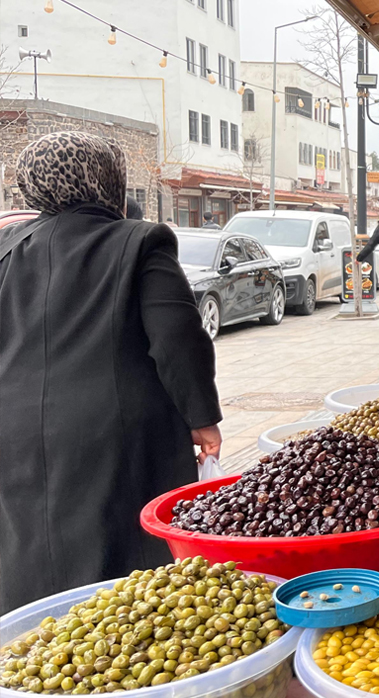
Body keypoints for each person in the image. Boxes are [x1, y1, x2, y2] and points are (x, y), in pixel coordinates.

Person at [0, 131, 223, 613]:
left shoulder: (7, 248)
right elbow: (178, 338)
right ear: (107, 180)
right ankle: (122, 662)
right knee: (125, 557)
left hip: (14, 430)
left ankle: (35, 655)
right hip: (114, 431)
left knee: (30, 546)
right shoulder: (140, 242)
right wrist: (202, 417)